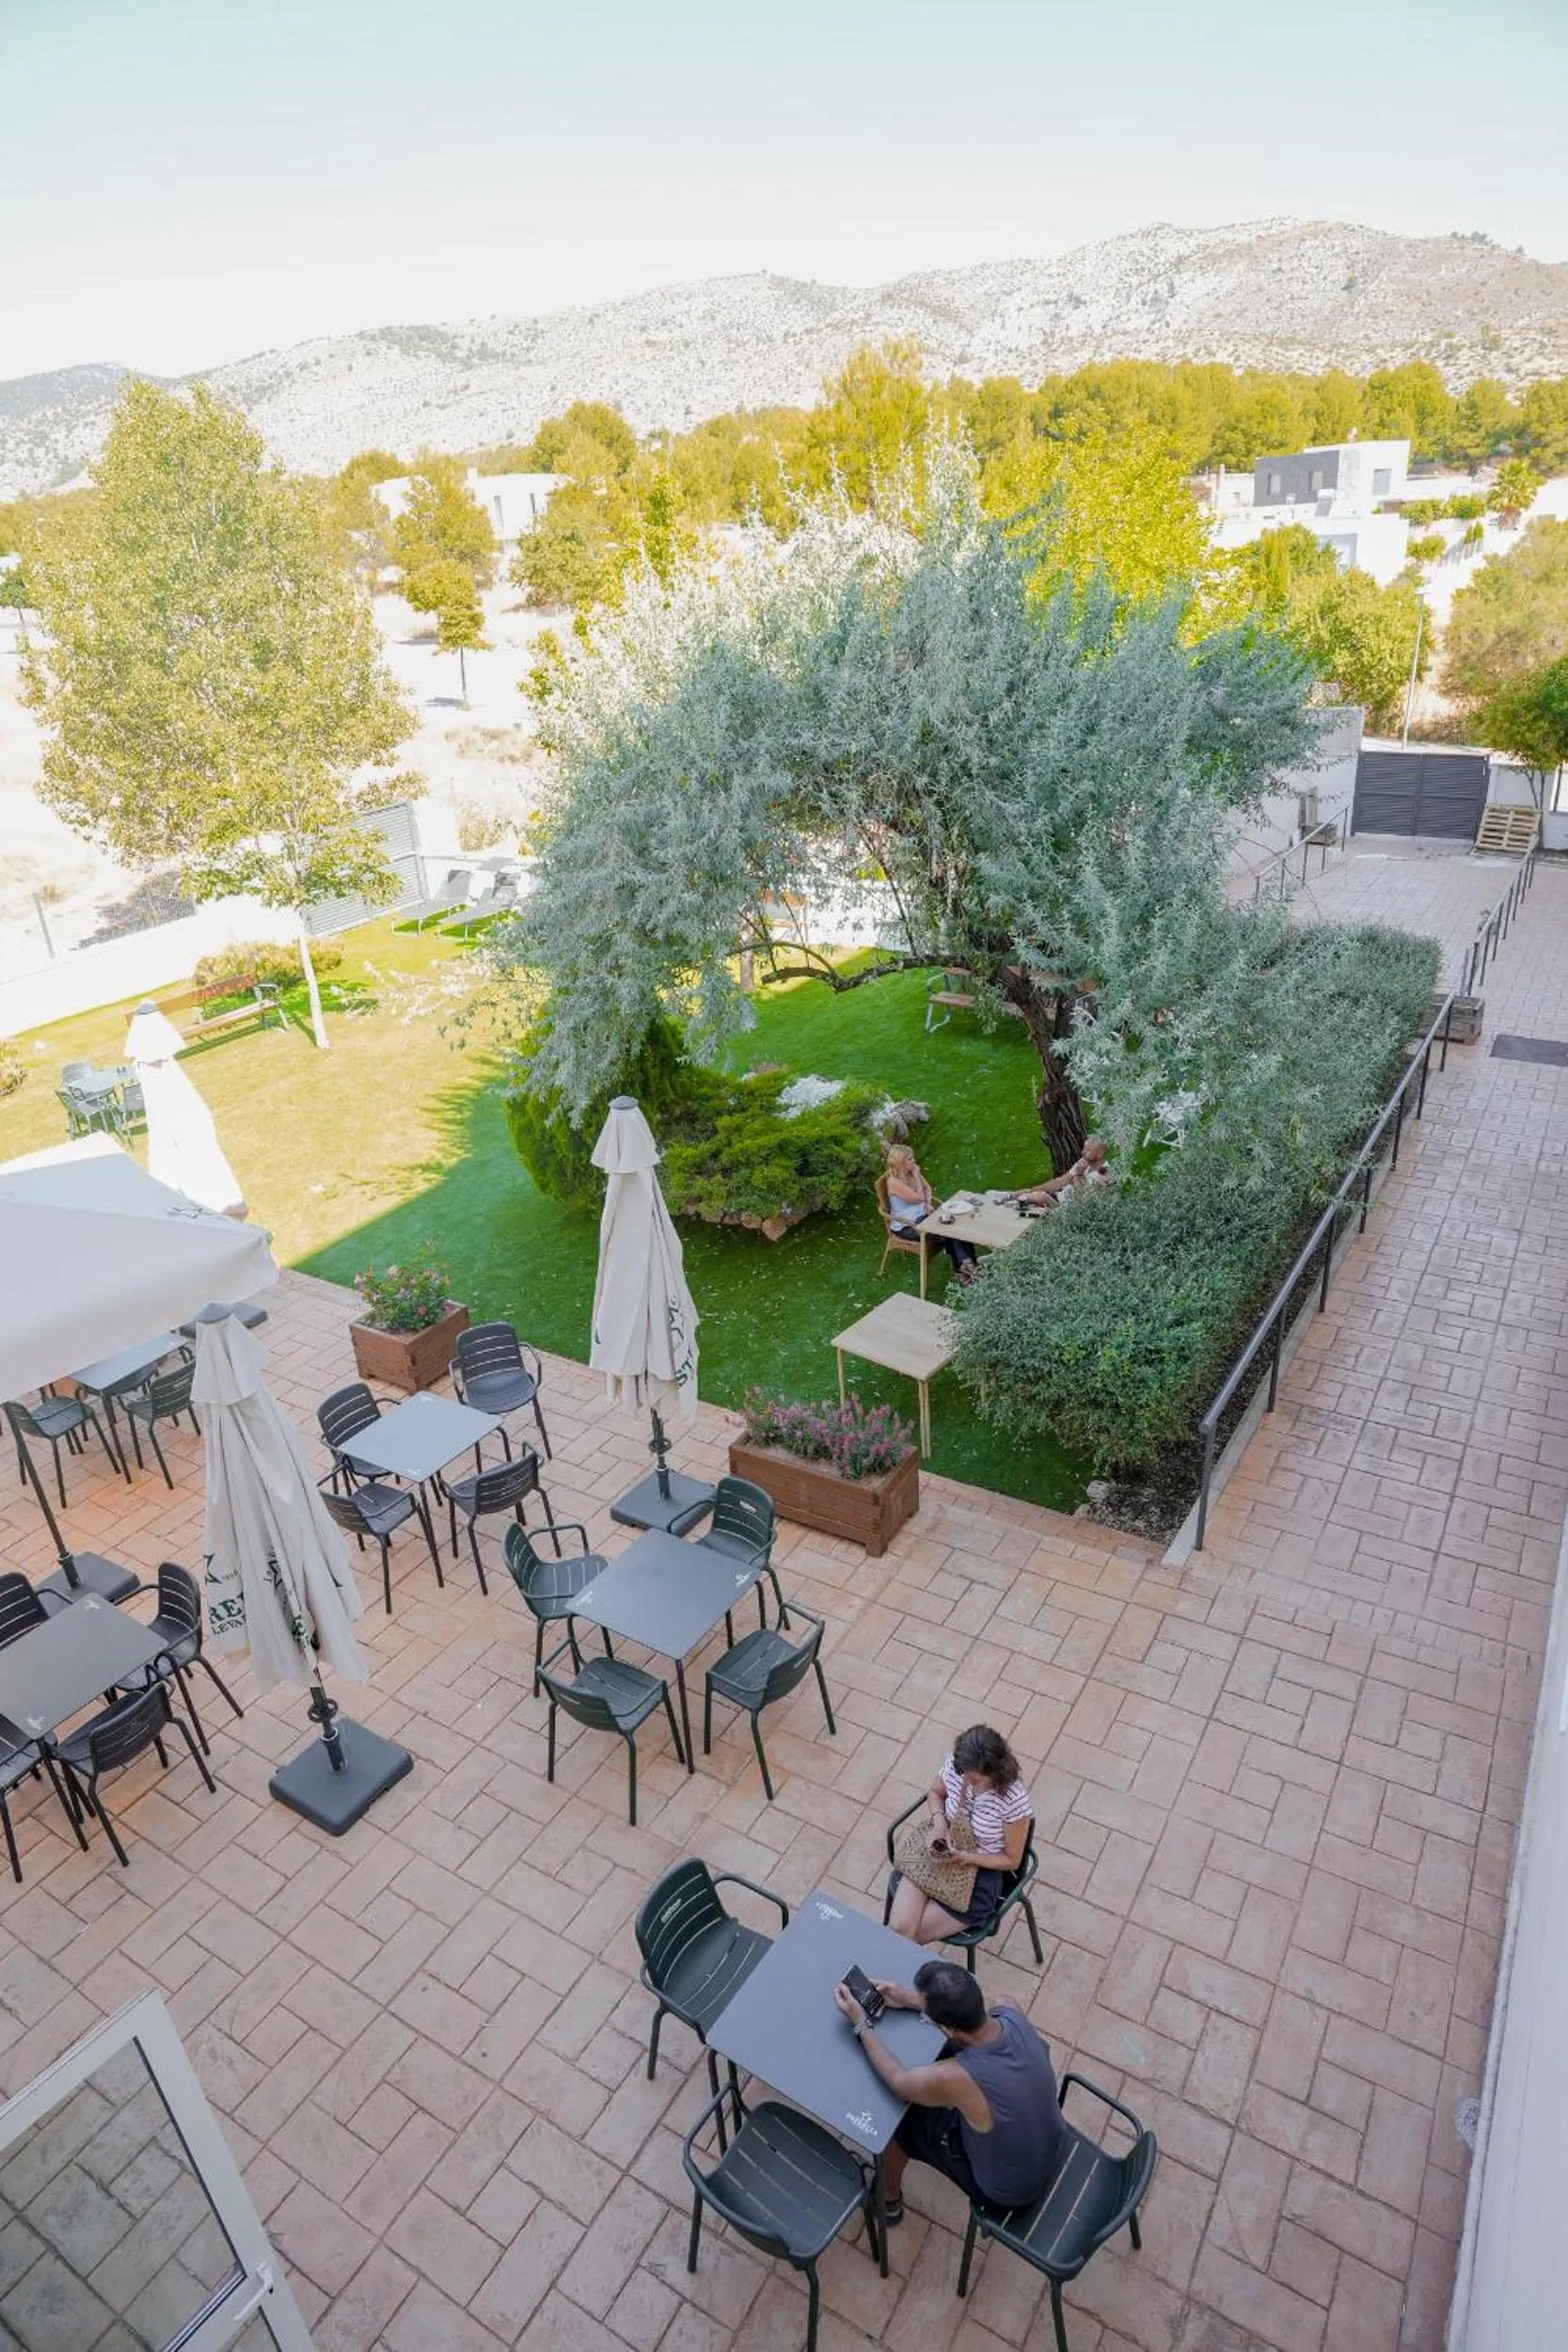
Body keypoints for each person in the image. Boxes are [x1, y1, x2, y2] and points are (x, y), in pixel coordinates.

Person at [833, 1959, 1066, 2222]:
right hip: (1051, 2142)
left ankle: (888, 2202)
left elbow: (899, 2083)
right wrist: (909, 1999)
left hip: (1008, 2190)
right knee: (946, 2061)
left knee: (896, 2121)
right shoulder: (1009, 2009)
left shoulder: (956, 2077)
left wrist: (861, 2023)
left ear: (947, 2027)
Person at [890, 1724, 1032, 1946]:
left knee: (903, 1939)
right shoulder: (959, 1766)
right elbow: (936, 1792)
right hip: (941, 1847)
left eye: (975, 1780)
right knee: (898, 1929)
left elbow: (1012, 1860)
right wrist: (939, 1826)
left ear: (996, 1772)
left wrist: (966, 1858)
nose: (966, 1781)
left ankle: (890, 1976)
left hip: (980, 1872)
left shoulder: (1012, 1799)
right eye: (963, 1774)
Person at [880, 1142, 978, 1281]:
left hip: (923, 1217)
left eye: (912, 1158)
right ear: (900, 1163)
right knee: (950, 1230)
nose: (913, 1161)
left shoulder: (909, 1172)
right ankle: (966, 1267)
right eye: (909, 1159)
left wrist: (927, 1202)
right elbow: (918, 1198)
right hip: (908, 1226)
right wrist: (916, 1176)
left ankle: (965, 1267)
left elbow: (928, 1189)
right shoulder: (893, 1182)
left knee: (956, 1225)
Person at [1012, 1135, 1111, 1211]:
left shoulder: (1103, 1174)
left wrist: (1079, 1175)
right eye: (1084, 1148)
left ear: (1099, 1154)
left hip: (1069, 1211)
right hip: (1059, 1199)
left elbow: (1085, 1202)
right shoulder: (1084, 1163)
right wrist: (1030, 1190)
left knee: (1038, 1197)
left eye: (1088, 1150)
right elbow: (1060, 1182)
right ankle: (1010, 1197)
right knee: (1029, 1196)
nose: (1083, 1152)